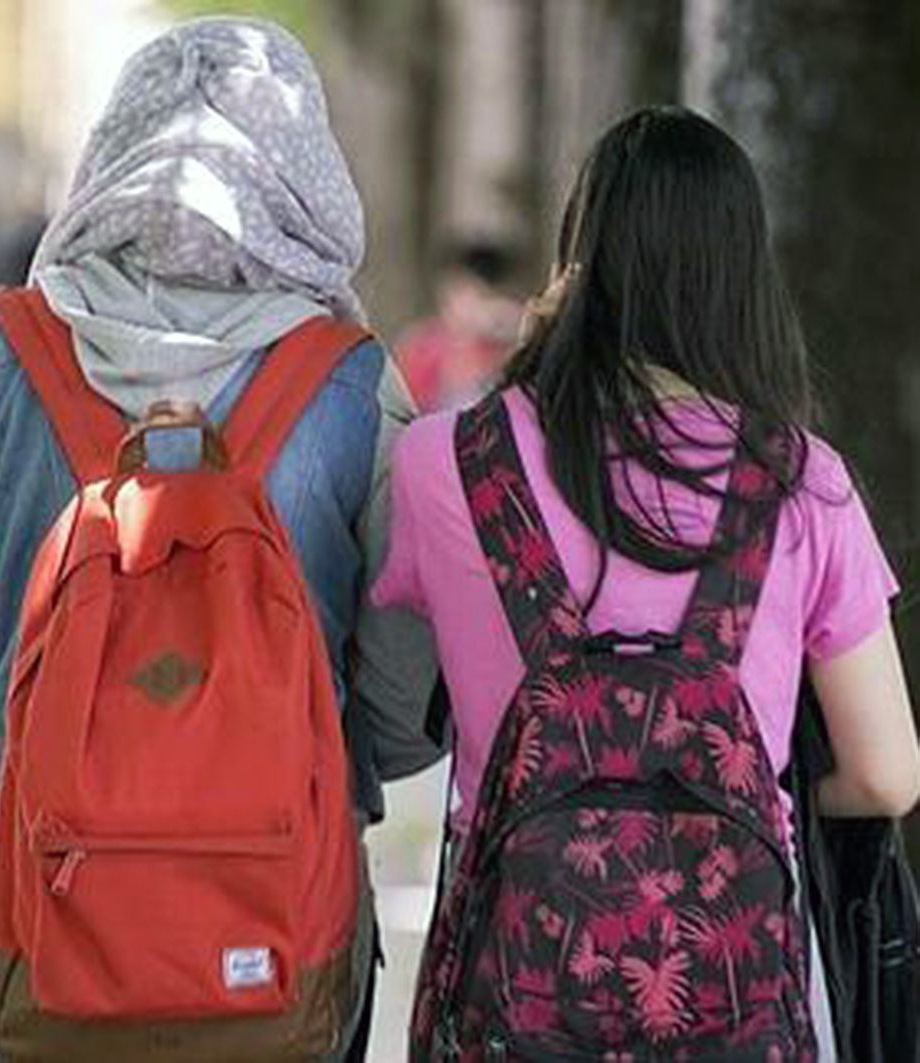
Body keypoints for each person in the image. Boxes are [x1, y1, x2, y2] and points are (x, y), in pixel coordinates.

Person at [0, 18, 439, 1060]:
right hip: (277, 928)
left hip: (30, 918)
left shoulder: (3, 356)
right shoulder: (354, 384)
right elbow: (404, 706)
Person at [376, 107, 920, 1058]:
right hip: (734, 1003)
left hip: (511, 996)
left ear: (577, 257)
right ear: (743, 274)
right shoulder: (801, 481)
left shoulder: (446, 462)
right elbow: (886, 774)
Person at [393, 240, 521, 412]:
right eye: (461, 295)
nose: (467, 308)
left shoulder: (499, 342)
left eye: (477, 296)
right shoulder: (423, 346)